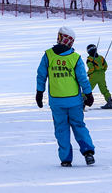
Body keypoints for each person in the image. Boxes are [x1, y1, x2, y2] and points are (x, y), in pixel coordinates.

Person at [35, 26, 95, 167]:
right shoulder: (75, 58)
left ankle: (66, 159)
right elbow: (82, 78)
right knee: (79, 126)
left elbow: (41, 75)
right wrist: (88, 94)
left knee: (61, 129)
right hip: (74, 101)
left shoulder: (48, 55)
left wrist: (39, 92)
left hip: (56, 101)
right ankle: (88, 152)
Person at [86, 44, 112, 109]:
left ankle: (81, 103)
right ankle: (110, 102)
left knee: (87, 89)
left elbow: (91, 69)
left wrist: (87, 74)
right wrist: (102, 72)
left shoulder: (89, 59)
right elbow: (106, 66)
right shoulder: (101, 58)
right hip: (102, 75)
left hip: (93, 76)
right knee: (104, 89)